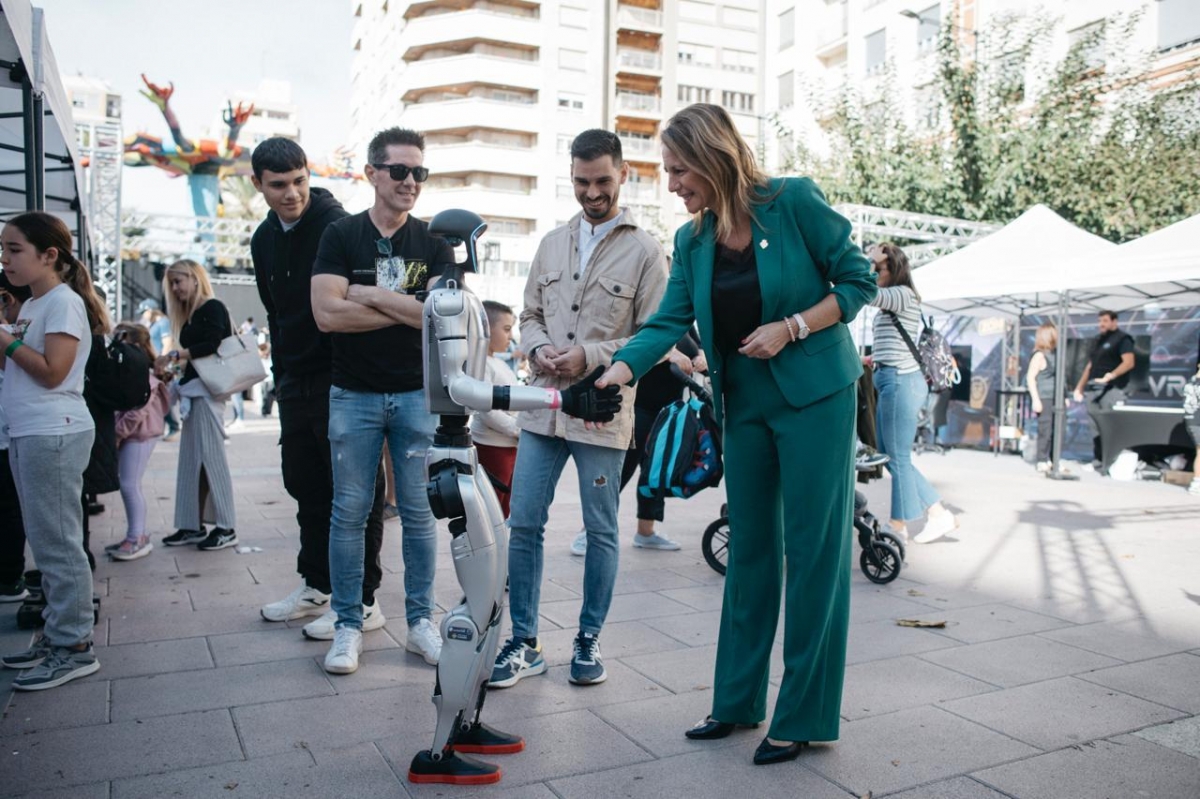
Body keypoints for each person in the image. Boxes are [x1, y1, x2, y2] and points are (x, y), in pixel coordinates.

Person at [595, 104, 877, 765]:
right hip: (742, 401)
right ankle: (736, 700)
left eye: (678, 169)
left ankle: (803, 714)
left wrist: (793, 326)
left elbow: (857, 280)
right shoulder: (693, 240)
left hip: (814, 395)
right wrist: (616, 370)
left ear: (714, 155)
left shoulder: (794, 201)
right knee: (750, 548)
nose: (671, 183)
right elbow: (668, 321)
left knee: (813, 551)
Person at [488, 129, 668, 690]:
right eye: (582, 182)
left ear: (623, 175)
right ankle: (523, 642)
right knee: (524, 524)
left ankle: (588, 639)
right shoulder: (551, 242)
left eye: (603, 182)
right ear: (571, 176)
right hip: (543, 408)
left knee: (601, 529)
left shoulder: (646, 250)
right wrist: (539, 346)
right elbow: (529, 313)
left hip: (601, 409)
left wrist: (588, 354)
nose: (592, 194)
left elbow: (655, 335)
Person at [312, 126, 451, 675]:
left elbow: (441, 318)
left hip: (416, 393)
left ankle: (421, 623)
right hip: (353, 395)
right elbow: (327, 314)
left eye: (420, 171)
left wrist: (368, 294)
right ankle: (349, 624)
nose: (411, 181)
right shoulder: (341, 236)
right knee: (348, 513)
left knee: (419, 514)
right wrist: (406, 305)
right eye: (399, 170)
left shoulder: (435, 241)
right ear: (372, 173)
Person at [249, 136, 388, 642]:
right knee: (306, 486)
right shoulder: (264, 238)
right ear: (258, 185)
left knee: (355, 494)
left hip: (341, 377)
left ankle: (364, 599)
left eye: (299, 181)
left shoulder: (337, 226)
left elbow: (359, 303)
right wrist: (283, 376)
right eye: (279, 185)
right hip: (294, 381)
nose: (291, 194)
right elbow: (276, 311)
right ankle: (318, 586)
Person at [0, 211, 106, 691]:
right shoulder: (35, 304)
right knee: (46, 542)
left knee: (59, 543)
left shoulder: (61, 303)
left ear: (49, 256)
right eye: (3, 249)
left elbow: (52, 372)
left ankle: (74, 645)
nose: (5, 259)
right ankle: (59, 635)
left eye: (14, 249)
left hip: (53, 432)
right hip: (31, 432)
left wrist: (3, 339)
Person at [573, 331, 700, 556]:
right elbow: (637, 342)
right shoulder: (654, 313)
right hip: (638, 406)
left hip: (669, 408)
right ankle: (589, 531)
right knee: (622, 469)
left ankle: (646, 532)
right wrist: (671, 353)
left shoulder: (685, 322)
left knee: (655, 469)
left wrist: (701, 356)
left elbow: (698, 346)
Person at [866, 242, 957, 544]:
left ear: (895, 268)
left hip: (901, 382)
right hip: (890, 379)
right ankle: (937, 512)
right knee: (890, 457)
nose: (874, 271)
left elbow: (866, 294)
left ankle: (899, 525)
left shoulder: (903, 295)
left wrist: (868, 262)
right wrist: (873, 358)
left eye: (879, 267)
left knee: (898, 456)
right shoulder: (895, 299)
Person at [155, 260, 239, 551]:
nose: (175, 289)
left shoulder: (211, 307)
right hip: (197, 391)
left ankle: (226, 526)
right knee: (193, 461)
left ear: (195, 278)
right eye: (173, 283)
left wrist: (177, 355)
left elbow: (214, 344)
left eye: (179, 281)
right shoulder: (194, 313)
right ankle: (192, 524)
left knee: (211, 459)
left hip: (207, 393)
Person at [107, 322, 171, 560]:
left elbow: (137, 411)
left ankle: (137, 537)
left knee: (130, 484)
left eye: (118, 340)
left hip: (141, 434)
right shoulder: (138, 369)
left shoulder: (144, 373)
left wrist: (117, 433)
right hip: (134, 433)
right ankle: (134, 535)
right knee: (129, 484)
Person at [470, 300, 521, 518]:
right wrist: (517, 429)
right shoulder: (481, 363)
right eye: (506, 329)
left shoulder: (498, 363)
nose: (510, 336)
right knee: (490, 509)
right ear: (486, 329)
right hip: (491, 447)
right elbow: (485, 409)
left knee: (504, 508)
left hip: (509, 446)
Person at [0, 272, 32, 601]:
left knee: (9, 506)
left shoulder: (14, 330)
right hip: (13, 431)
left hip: (11, 432)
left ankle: (10, 577)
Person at [1072, 310, 1136, 470]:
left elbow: (1129, 362)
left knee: (1110, 427)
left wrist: (1111, 375)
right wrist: (1079, 386)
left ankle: (1111, 462)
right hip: (1093, 389)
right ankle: (1098, 460)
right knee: (1095, 426)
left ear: (1114, 322)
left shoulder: (1123, 339)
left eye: (1105, 321)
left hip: (1112, 389)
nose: (1101, 324)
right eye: (1100, 321)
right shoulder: (1098, 340)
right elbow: (1090, 365)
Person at [1025, 322, 1059, 473]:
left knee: (1056, 430)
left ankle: (1053, 459)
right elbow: (1031, 377)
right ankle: (1042, 459)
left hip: (1056, 396)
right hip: (1044, 396)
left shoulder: (1055, 354)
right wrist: (1036, 399)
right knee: (1045, 429)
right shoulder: (1039, 355)